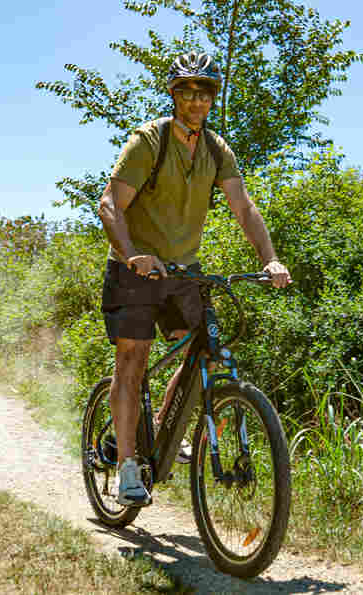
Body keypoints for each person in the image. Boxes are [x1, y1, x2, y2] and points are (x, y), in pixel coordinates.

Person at [98, 51, 292, 506]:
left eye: (204, 91)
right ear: (174, 94)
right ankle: (127, 465)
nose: (195, 99)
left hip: (183, 270)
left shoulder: (215, 149)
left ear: (212, 97)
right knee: (133, 360)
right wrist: (133, 257)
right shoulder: (149, 141)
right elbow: (109, 205)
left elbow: (243, 208)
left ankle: (166, 426)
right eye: (186, 90)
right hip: (135, 269)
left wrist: (271, 259)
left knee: (197, 350)